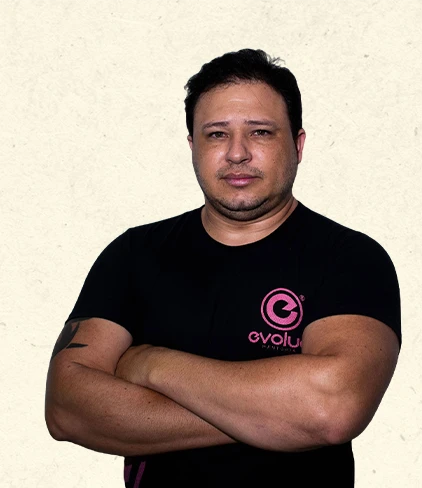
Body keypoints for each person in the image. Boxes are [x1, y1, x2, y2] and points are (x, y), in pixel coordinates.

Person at [45, 49, 401, 487]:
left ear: (298, 145)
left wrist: (150, 364)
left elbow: (331, 409)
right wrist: (277, 416)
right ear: (193, 147)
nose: (237, 153)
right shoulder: (134, 254)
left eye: (260, 132)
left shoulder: (351, 258)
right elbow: (66, 407)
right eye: (216, 134)